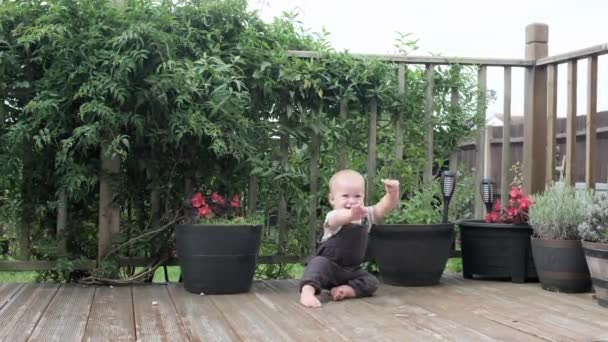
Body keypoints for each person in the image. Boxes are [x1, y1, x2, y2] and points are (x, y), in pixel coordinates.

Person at [299, 169, 400, 308]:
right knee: (317, 264)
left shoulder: (365, 215)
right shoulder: (333, 215)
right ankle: (307, 292)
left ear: (363, 198)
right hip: (328, 267)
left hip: (350, 271)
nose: (352, 201)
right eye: (345, 196)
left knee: (371, 281)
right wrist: (351, 216)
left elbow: (383, 208)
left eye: (357, 196)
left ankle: (345, 290)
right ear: (332, 199)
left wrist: (392, 194)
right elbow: (337, 219)